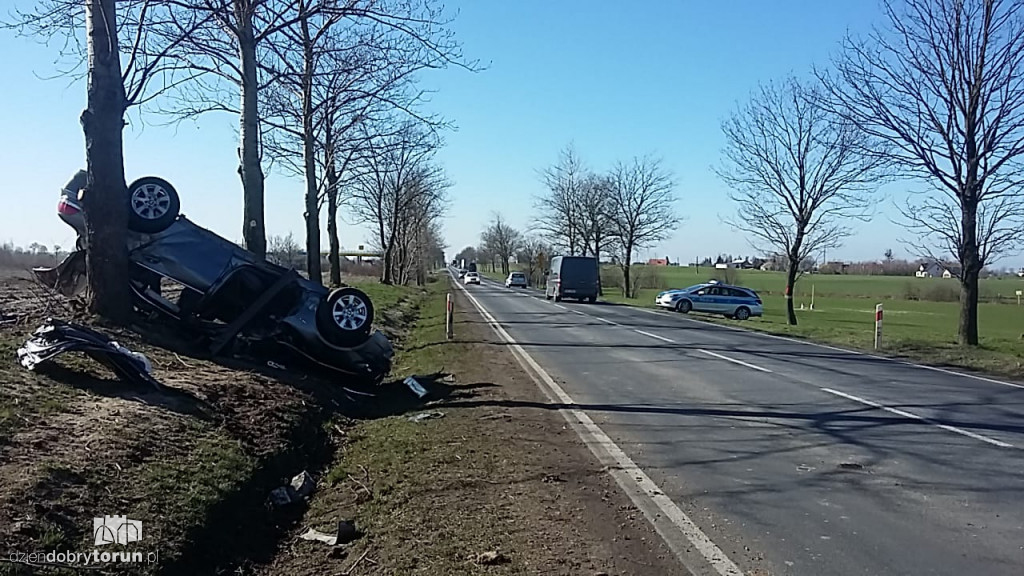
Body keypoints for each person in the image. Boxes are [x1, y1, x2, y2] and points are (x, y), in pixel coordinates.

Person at [58, 169, 89, 249]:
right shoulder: (87, 178)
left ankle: (84, 242)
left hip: (63, 205)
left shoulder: (81, 176)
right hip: (71, 206)